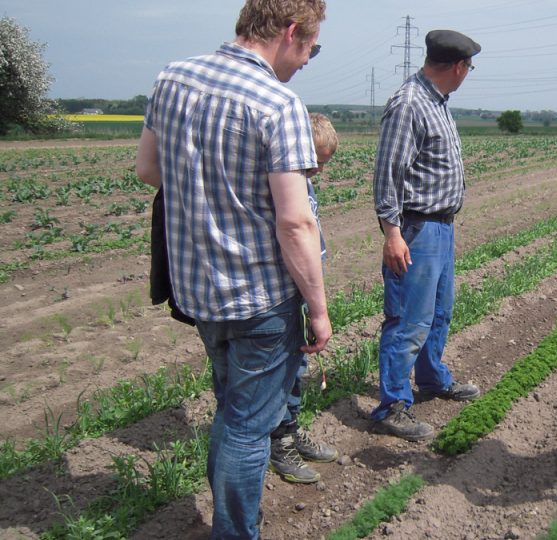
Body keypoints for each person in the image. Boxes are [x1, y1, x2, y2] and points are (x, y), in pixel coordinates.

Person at [134, 1, 331, 537]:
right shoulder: (278, 102)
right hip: (259, 299)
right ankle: (235, 531)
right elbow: (295, 223)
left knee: (231, 411)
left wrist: (207, 200)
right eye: (311, 47)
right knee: (248, 426)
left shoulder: (171, 77)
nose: (308, 58)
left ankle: (228, 519)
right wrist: (318, 308)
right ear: (291, 32)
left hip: (197, 290)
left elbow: (148, 169)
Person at [369, 30, 483, 441]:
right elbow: (387, 176)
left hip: (441, 226)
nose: (468, 73)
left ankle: (433, 378)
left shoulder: (437, 103)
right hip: (415, 228)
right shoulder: (409, 104)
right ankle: (393, 404)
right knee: (407, 320)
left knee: (438, 312)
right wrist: (392, 233)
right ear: (457, 66)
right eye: (468, 67)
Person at [268, 113, 340, 484]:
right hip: (281, 292)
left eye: (323, 165)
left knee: (298, 367)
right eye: (315, 165)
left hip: (300, 291)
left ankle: (292, 429)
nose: (318, 173)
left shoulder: (303, 184)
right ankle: (279, 441)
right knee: (284, 369)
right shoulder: (285, 183)